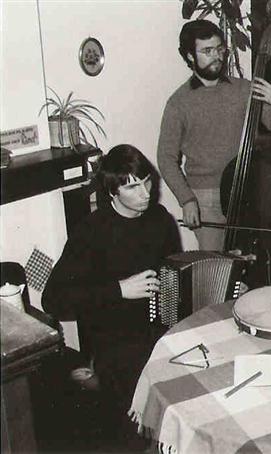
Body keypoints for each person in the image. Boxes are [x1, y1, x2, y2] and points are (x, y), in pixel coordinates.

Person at [42, 144, 181, 451]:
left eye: (146, 181)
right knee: (136, 426)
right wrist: (120, 289)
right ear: (112, 192)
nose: (145, 192)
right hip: (114, 342)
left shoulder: (160, 219)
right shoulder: (92, 232)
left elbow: (176, 276)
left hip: (160, 332)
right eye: (132, 186)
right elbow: (53, 299)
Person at [157, 19, 271, 251]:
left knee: (253, 260)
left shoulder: (243, 88)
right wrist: (186, 199)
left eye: (219, 49)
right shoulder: (178, 103)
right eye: (207, 51)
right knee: (217, 271)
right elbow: (166, 158)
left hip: (249, 189)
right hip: (205, 198)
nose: (217, 56)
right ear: (190, 56)